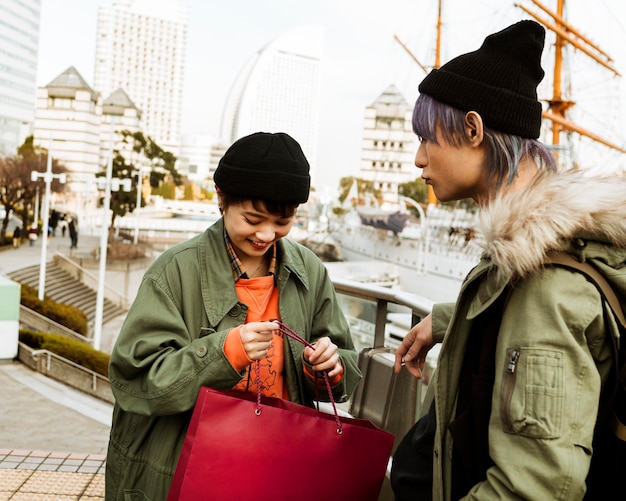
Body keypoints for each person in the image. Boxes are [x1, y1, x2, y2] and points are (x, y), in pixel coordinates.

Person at [391, 20, 626, 500]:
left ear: (473, 129)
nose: (418, 158)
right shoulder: (533, 255)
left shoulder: (547, 281)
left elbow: (532, 487)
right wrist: (450, 320)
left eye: (427, 137)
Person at [105, 132, 362, 500]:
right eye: (253, 218)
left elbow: (344, 365)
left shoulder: (311, 271)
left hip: (275, 467)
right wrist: (224, 353)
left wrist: (328, 370)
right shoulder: (174, 271)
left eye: (283, 221)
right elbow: (135, 378)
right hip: (185, 469)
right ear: (221, 199)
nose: (267, 233)